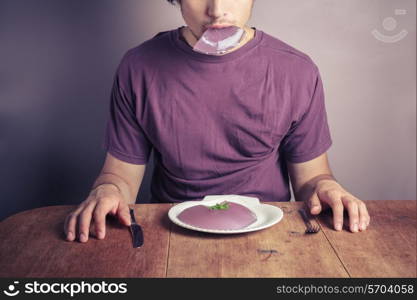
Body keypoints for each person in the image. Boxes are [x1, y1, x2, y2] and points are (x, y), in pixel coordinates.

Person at [64, 0, 370, 243]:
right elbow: (120, 176)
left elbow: (311, 180)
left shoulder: (297, 71)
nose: (217, 10)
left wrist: (328, 187)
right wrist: (107, 190)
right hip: (170, 232)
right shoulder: (138, 67)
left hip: (271, 232)